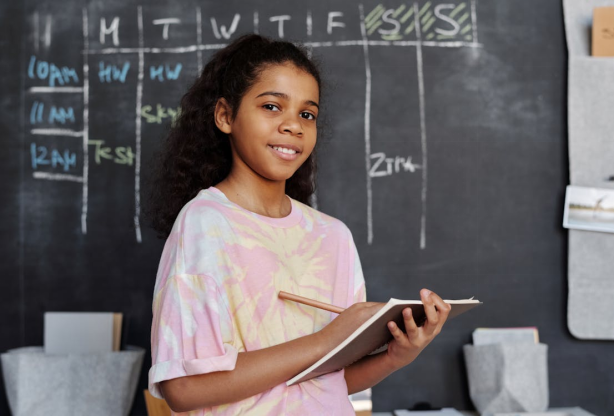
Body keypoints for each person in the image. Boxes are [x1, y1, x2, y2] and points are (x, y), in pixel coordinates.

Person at [145, 33, 451, 416]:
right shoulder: (204, 226)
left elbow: (330, 382)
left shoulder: (333, 236)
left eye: (307, 114)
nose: (294, 126)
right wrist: (326, 340)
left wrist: (395, 356)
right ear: (225, 116)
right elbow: (183, 389)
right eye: (272, 106)